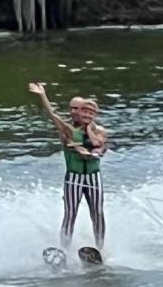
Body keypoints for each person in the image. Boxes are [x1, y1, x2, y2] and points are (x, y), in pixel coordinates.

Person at [29, 83, 107, 249]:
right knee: (70, 213)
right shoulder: (68, 130)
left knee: (97, 213)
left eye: (78, 108)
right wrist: (43, 95)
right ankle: (64, 248)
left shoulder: (99, 130)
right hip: (74, 177)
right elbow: (52, 115)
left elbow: (101, 145)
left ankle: (100, 248)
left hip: (93, 177)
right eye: (72, 108)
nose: (74, 112)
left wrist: (95, 151)